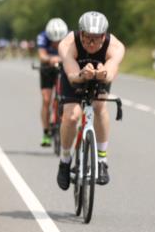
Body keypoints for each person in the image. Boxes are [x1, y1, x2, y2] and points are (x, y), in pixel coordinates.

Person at [55, 11, 126, 190]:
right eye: (87, 38)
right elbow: (71, 75)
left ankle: (102, 160)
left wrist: (102, 74)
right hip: (75, 75)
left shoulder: (115, 46)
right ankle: (65, 161)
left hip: (99, 77)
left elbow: (110, 72)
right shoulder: (68, 43)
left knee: (100, 106)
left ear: (104, 36)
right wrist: (82, 74)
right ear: (81, 34)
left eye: (97, 39)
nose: (92, 43)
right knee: (71, 117)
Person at [37, 18, 69, 146]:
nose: (56, 44)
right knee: (46, 99)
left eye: (59, 41)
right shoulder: (42, 36)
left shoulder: (69, 36)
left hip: (65, 66)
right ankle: (46, 132)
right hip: (48, 67)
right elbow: (42, 55)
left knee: (67, 97)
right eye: (53, 42)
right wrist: (51, 59)